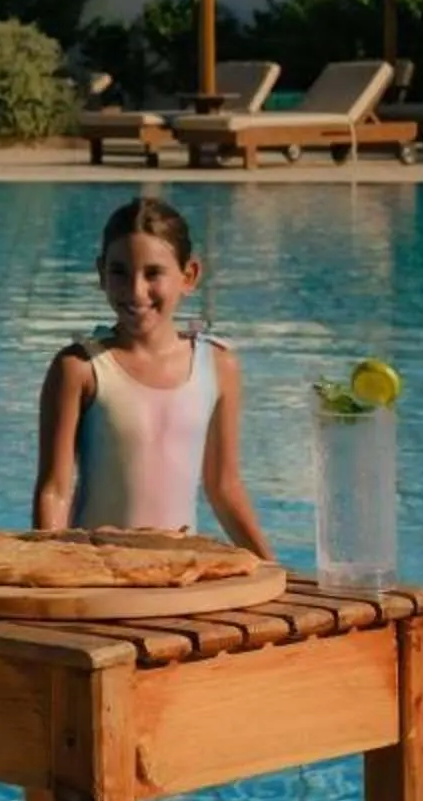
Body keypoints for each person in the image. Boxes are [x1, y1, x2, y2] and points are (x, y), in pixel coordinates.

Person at [32, 196, 276, 556]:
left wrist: (274, 569)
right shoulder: (80, 367)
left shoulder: (218, 366)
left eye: (153, 273)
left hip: (180, 573)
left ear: (189, 276)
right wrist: (52, 570)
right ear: (101, 274)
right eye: (119, 272)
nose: (135, 291)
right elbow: (54, 489)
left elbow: (224, 487)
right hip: (98, 575)